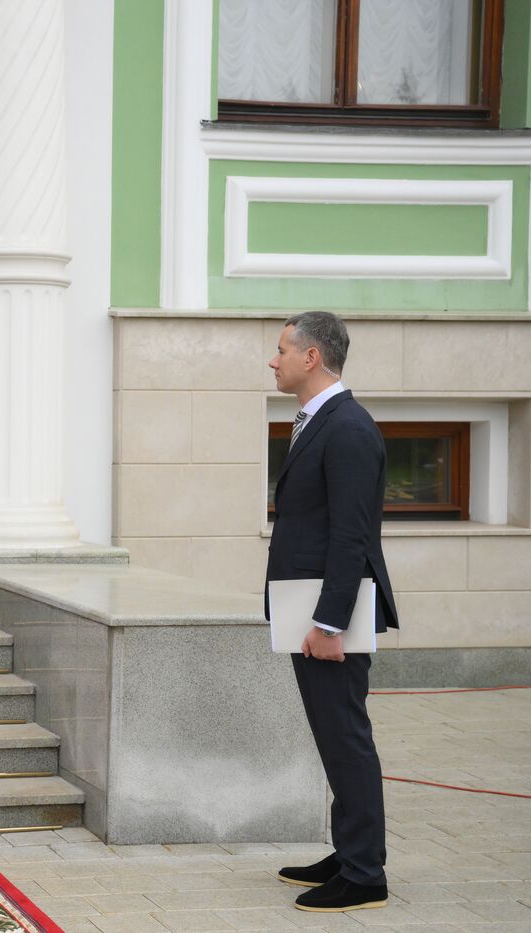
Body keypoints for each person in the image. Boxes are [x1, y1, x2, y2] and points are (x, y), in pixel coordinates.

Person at [266, 311, 398, 913]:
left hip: (327, 614)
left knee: (346, 737)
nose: (274, 360)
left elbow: (352, 536)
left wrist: (328, 623)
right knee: (333, 735)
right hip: (309, 605)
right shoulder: (320, 421)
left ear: (312, 357)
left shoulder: (347, 428)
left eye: (282, 350)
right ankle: (349, 853)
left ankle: (365, 873)